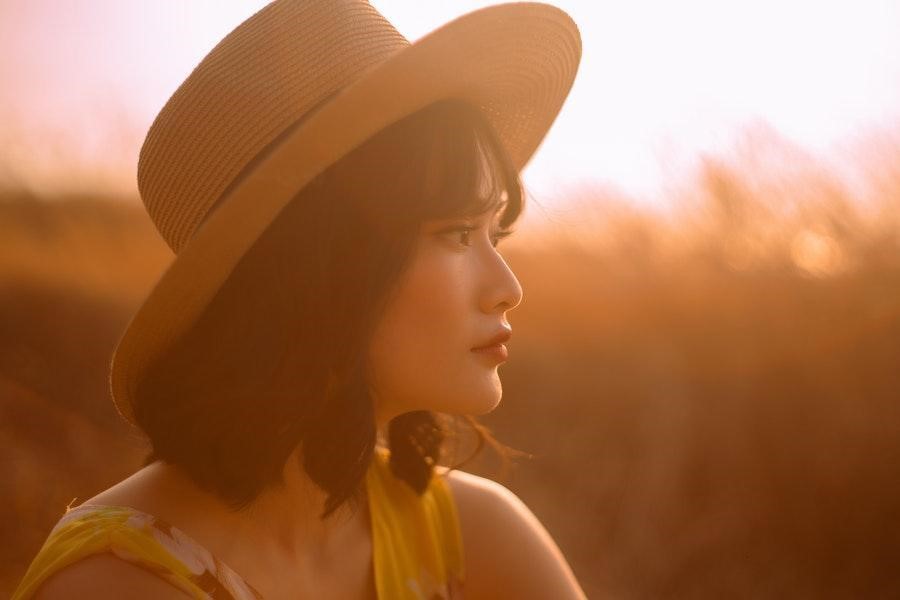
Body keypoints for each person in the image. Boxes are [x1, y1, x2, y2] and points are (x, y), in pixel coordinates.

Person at [14, 1, 585, 598]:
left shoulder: (469, 535)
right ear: (323, 265)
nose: (508, 288)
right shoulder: (123, 584)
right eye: (457, 233)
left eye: (497, 234)